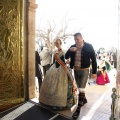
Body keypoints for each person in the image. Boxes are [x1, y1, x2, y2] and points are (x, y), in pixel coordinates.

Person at [65, 33, 97, 119]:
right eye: (75, 40)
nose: (76, 41)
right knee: (79, 87)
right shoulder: (72, 46)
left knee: (82, 88)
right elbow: (66, 56)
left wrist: (94, 72)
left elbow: (94, 59)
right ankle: (84, 99)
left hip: (85, 70)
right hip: (76, 70)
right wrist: (70, 50)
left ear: (82, 38)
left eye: (77, 39)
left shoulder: (89, 46)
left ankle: (78, 110)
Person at [39, 39, 77, 110]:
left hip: (63, 68)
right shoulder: (54, 51)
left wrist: (69, 62)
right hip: (55, 68)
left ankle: (66, 102)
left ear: (60, 43)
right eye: (55, 43)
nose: (56, 44)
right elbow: (54, 61)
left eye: (58, 43)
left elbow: (68, 57)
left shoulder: (64, 50)